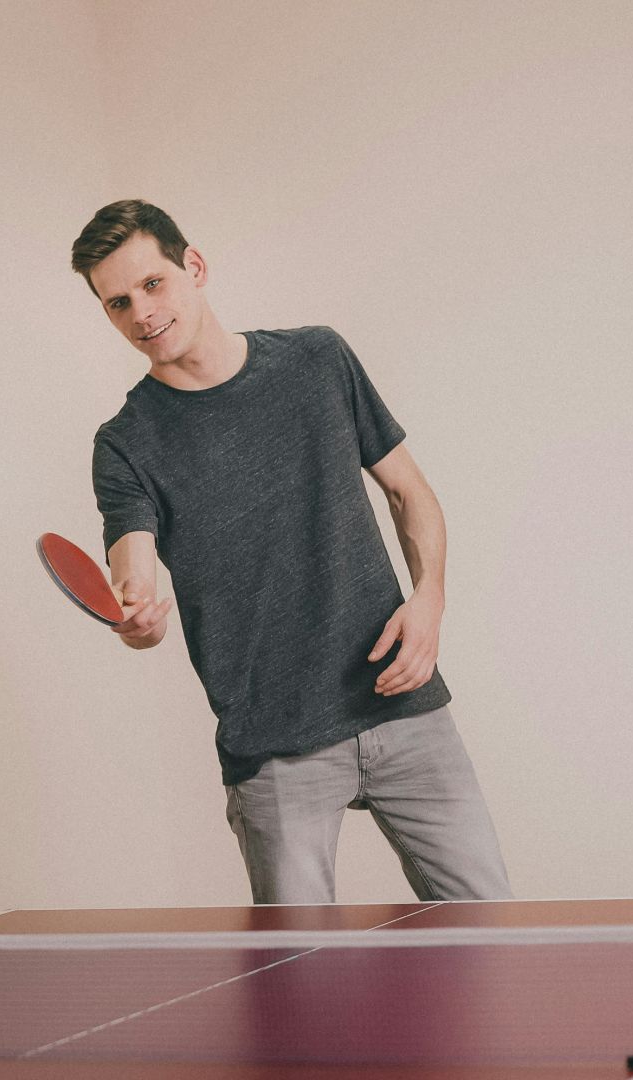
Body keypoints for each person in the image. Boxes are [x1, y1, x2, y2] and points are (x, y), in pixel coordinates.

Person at [71, 199, 512, 905]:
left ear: (194, 266)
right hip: (273, 747)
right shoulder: (125, 443)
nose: (141, 313)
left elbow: (409, 492)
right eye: (118, 303)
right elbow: (134, 570)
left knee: (494, 934)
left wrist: (428, 600)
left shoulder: (318, 359)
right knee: (301, 968)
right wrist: (138, 615)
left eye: (152, 284)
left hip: (401, 704)